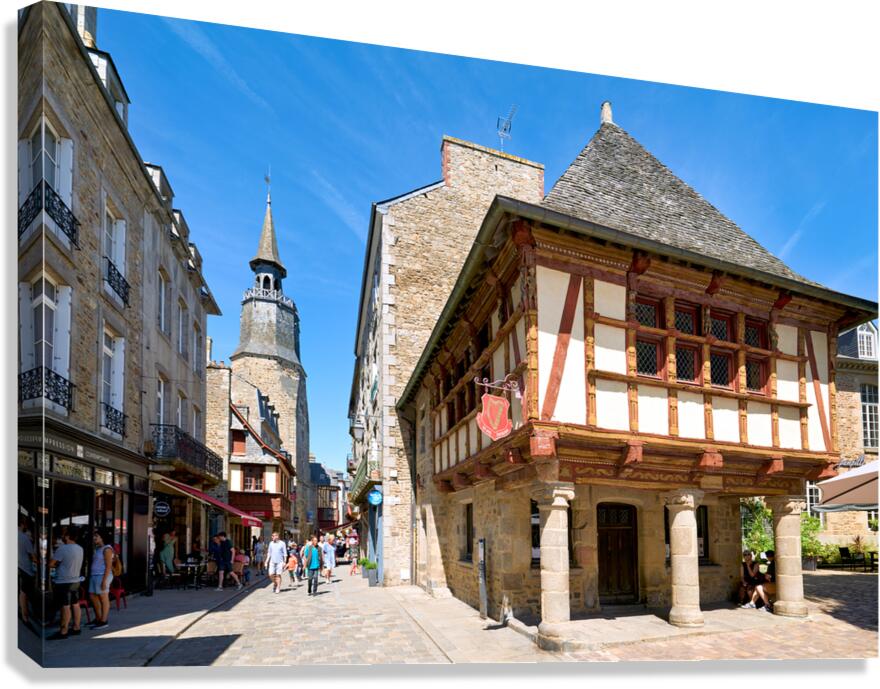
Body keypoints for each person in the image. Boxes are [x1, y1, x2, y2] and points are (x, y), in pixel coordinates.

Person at [47, 526, 84, 640]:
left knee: (65, 606)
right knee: (75, 604)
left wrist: (57, 564)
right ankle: (77, 627)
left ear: (67, 536)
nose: (62, 537)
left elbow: (51, 564)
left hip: (64, 581)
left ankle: (63, 631)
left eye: (64, 535)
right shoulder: (79, 548)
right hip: (76, 580)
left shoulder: (62, 549)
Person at [88, 529, 114, 629]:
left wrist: (104, 580)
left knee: (103, 598)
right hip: (95, 575)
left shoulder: (107, 549)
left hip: (102, 575)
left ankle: (104, 621)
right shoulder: (99, 548)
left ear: (102, 537)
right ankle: (98, 618)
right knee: (93, 596)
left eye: (96, 536)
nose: (94, 538)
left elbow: (108, 566)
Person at [18, 516, 37, 631]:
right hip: (25, 568)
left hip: (18, 565)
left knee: (21, 590)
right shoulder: (24, 538)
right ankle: (25, 617)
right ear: (23, 524)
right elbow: (33, 557)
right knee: (24, 592)